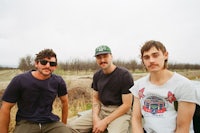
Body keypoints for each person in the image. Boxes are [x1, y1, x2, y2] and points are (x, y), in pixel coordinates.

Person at [130, 40, 200, 133]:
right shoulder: (138, 85)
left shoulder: (184, 85)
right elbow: (136, 119)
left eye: (155, 55)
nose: (151, 60)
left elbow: (182, 128)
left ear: (165, 55)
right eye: (146, 57)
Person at [0, 49, 72, 133]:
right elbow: (5, 107)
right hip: (26, 123)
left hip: (50, 122)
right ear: (36, 64)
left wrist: (63, 124)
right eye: (44, 62)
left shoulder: (58, 81)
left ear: (55, 66)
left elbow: (65, 102)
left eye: (52, 63)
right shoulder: (19, 80)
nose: (48, 66)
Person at [68, 45, 134, 133]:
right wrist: (95, 118)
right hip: (102, 110)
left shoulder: (124, 75)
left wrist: (104, 122)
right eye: (99, 57)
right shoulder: (97, 76)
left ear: (111, 56)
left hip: (120, 112)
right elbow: (96, 99)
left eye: (105, 56)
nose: (102, 60)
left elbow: (127, 105)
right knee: (71, 127)